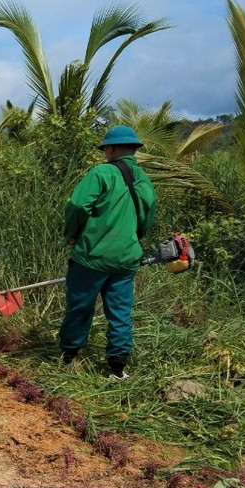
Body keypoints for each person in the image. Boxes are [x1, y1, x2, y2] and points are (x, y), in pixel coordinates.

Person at [59, 125, 157, 380]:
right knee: (120, 314)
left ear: (111, 149)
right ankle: (117, 368)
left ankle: (68, 357)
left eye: (105, 149)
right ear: (133, 150)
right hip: (126, 260)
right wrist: (131, 240)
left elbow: (78, 205)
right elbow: (146, 218)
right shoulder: (144, 180)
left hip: (91, 257)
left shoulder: (101, 173)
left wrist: (72, 233)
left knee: (80, 307)